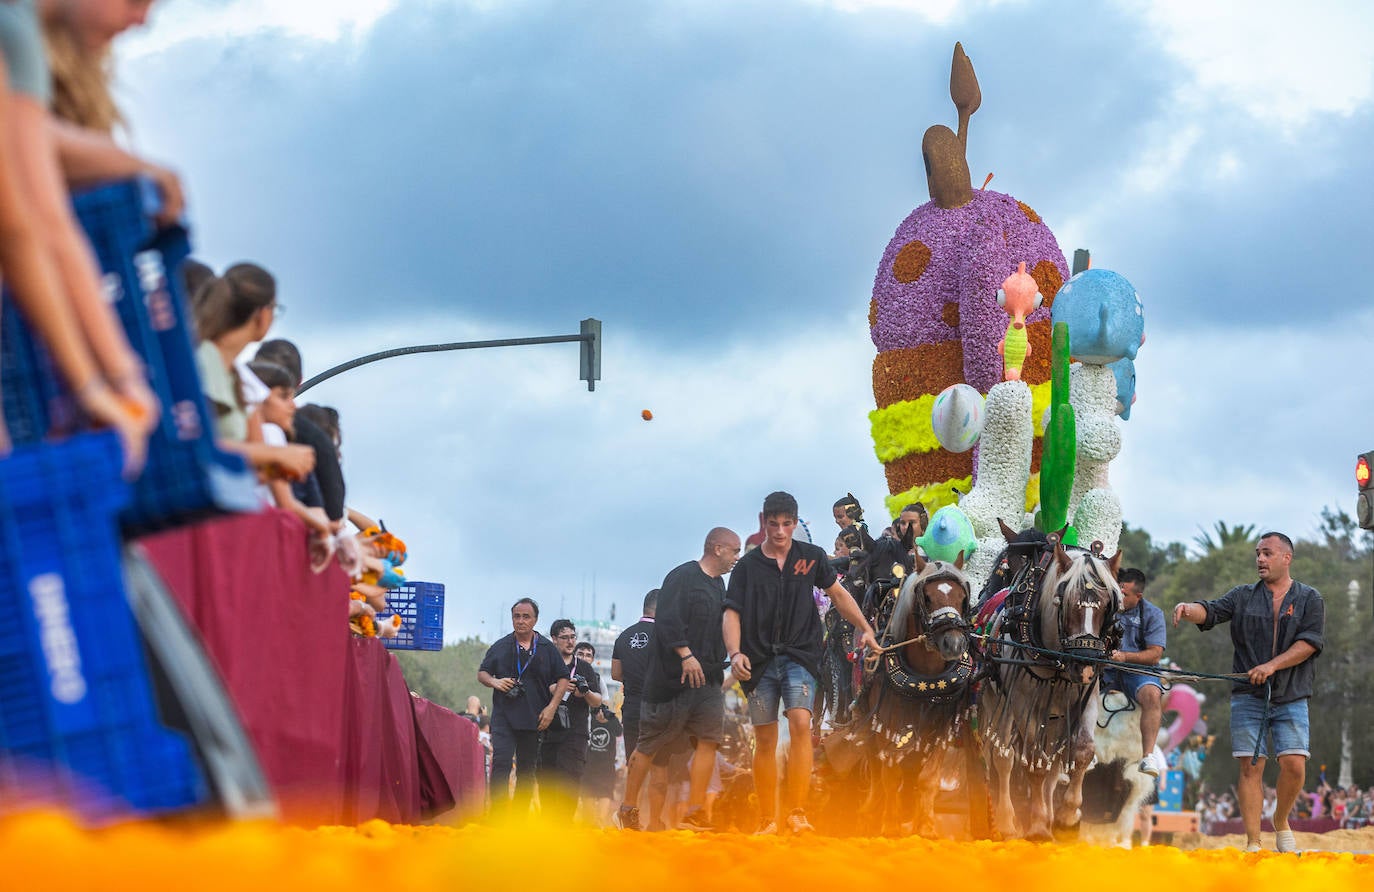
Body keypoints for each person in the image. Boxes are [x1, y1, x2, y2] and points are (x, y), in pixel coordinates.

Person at [0, 0, 155, 469]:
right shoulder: (13, 31)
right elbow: (30, 220)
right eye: (137, 1)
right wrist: (104, 381)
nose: (142, 19)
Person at [723, 492, 878, 835]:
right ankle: (767, 819)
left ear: (795, 523)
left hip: (800, 656)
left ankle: (797, 813)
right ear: (765, 523)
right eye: (774, 524)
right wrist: (735, 653)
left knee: (799, 723)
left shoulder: (810, 557)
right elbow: (731, 612)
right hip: (759, 661)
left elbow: (838, 595)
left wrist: (865, 628)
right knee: (764, 739)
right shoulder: (747, 567)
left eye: (786, 524)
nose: (779, 532)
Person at [1172, 531, 1325, 854]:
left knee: (1295, 764)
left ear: (1287, 558)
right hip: (1247, 695)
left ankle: (1280, 821)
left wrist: (1271, 666)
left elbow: (1309, 644)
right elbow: (1211, 611)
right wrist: (1189, 609)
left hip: (1292, 694)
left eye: (1267, 553)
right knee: (1250, 767)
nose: (1260, 559)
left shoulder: (1310, 598)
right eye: (1258, 553)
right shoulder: (1242, 596)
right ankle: (1253, 843)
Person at [615, 528, 740, 832]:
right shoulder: (681, 577)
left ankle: (695, 811)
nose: (737, 557)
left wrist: (736, 654)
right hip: (670, 682)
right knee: (649, 747)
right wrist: (686, 655)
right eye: (735, 551)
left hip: (708, 679)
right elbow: (667, 621)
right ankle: (628, 808)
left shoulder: (719, 585)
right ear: (718, 548)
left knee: (709, 739)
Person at [477, 598, 571, 815]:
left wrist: (551, 709)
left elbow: (563, 678)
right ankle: (498, 817)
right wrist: (495, 682)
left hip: (534, 718)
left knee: (527, 770)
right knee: (500, 763)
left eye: (526, 617)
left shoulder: (547, 648)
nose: (520, 621)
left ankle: (518, 819)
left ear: (535, 620)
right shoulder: (500, 646)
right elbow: (482, 673)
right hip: (503, 717)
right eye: (516, 616)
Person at [1102, 567, 1167, 776]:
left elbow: (1155, 654)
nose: (1119, 597)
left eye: (1125, 594)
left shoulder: (1153, 614)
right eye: (1117, 591)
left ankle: (1148, 757)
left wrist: (1124, 657)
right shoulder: (1104, 607)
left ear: (1139, 596)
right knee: (1078, 684)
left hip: (1137, 672)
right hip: (1105, 669)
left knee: (1153, 695)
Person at [538, 619, 602, 818]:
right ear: (554, 639)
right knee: (546, 781)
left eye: (573, 637)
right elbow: (533, 694)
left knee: (570, 781)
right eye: (565, 637)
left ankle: (565, 828)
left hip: (575, 733)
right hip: (547, 731)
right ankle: (548, 829)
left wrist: (585, 693)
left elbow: (597, 700)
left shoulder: (584, 668)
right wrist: (556, 689)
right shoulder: (543, 664)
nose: (570, 642)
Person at [612, 589, 657, 758]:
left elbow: (616, 674)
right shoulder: (664, 635)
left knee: (633, 761)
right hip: (656, 709)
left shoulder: (623, 637)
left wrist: (634, 677)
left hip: (631, 709)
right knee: (657, 765)